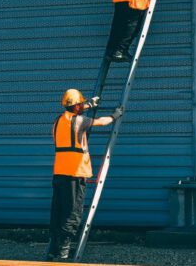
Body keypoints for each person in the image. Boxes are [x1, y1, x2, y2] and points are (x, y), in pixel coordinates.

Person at [46, 88, 124, 261]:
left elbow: (69, 123)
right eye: (80, 104)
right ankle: (64, 250)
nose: (82, 105)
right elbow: (101, 122)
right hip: (75, 172)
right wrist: (114, 115)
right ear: (75, 107)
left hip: (59, 173)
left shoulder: (57, 122)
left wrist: (90, 104)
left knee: (58, 211)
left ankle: (54, 248)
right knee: (72, 212)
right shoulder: (80, 120)